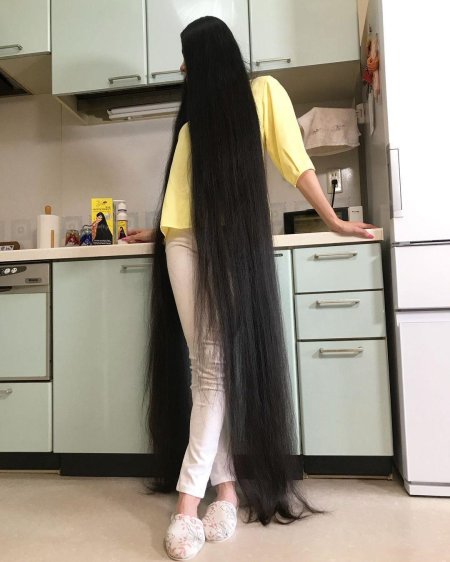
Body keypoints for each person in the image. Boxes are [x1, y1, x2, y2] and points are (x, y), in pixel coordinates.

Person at [123, 16, 376, 561]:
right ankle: (227, 491)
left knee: (212, 368)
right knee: (205, 368)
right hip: (180, 240)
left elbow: (294, 161)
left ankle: (188, 502)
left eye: (187, 56)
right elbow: (181, 186)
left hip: (229, 242)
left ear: (208, 54)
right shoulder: (193, 117)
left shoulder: (262, 93)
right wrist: (156, 228)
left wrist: (332, 219)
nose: (183, 67)